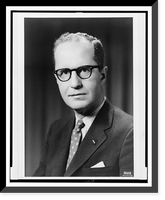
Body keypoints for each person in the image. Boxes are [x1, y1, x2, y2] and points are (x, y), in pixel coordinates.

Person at [33, 32, 133, 177]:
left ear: (102, 75)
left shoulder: (130, 132)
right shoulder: (56, 130)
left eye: (84, 70)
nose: (74, 84)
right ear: (56, 78)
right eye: (64, 72)